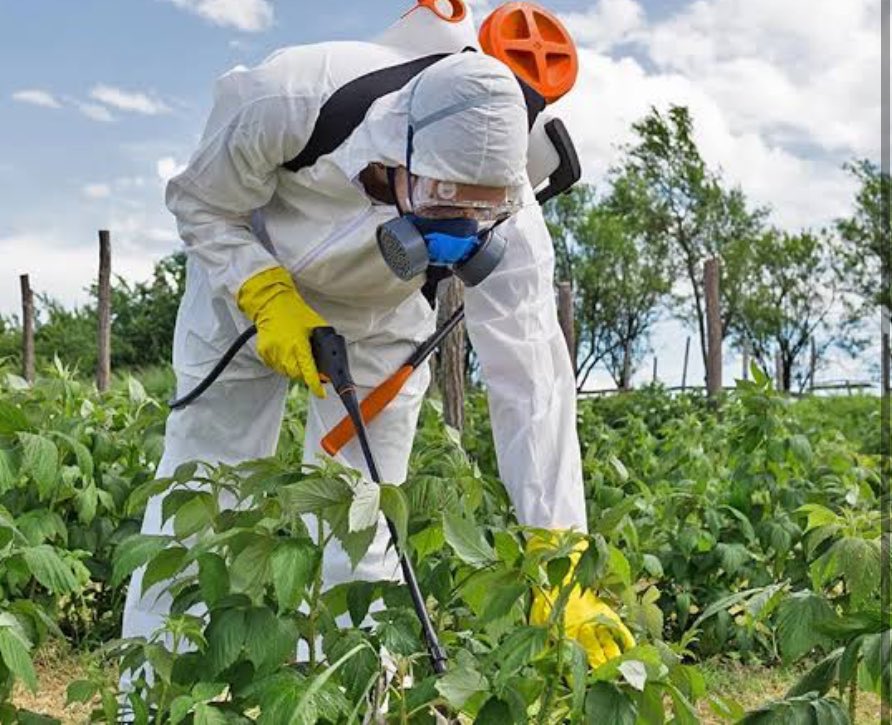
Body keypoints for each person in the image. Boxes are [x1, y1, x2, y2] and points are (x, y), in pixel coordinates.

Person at [120, 1, 634, 678]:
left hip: (381, 319)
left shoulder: (514, 225)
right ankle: (148, 695)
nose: (459, 230)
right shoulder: (290, 96)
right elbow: (201, 202)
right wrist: (265, 293)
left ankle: (349, 695)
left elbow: (532, 381)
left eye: (478, 214)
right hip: (244, 285)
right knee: (205, 489)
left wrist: (557, 548)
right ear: (400, 150)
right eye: (442, 202)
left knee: (359, 518)